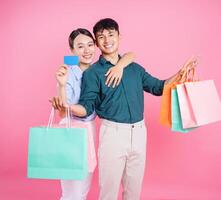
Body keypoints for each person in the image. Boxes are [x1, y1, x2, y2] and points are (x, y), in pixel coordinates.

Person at [53, 19, 197, 200]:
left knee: (133, 192)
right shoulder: (92, 73)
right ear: (97, 43)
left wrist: (180, 73)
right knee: (108, 193)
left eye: (111, 34)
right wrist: (66, 106)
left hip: (139, 133)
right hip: (112, 134)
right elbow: (86, 107)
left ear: (119, 37)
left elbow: (159, 87)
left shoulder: (134, 68)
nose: (107, 40)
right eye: (101, 37)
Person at [51, 28, 135, 200]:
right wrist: (60, 85)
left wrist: (119, 66)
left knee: (83, 188)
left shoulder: (98, 69)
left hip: (90, 130)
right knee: (72, 190)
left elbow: (130, 55)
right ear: (72, 50)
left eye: (90, 45)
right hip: (70, 129)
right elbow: (62, 113)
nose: (87, 50)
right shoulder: (68, 71)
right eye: (80, 47)